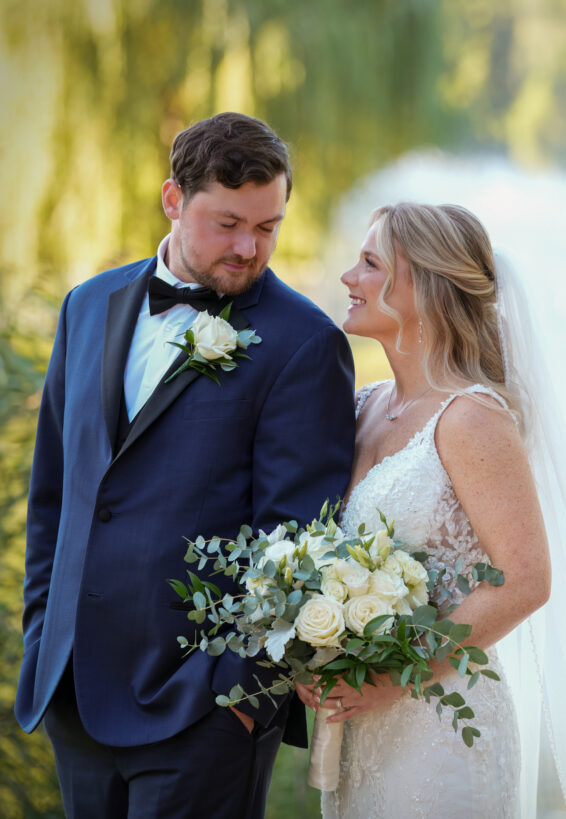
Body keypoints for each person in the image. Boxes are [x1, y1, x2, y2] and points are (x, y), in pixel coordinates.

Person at [15, 112, 356, 818]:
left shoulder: (304, 344)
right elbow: (56, 494)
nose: (248, 247)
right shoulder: (87, 306)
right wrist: (43, 637)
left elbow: (296, 544)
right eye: (228, 222)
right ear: (173, 199)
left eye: (268, 227)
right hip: (73, 694)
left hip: (201, 716)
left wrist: (241, 699)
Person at [298, 202, 566, 817]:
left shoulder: (472, 416)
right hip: (359, 726)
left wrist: (393, 675)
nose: (348, 277)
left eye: (369, 263)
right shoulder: (362, 405)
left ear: (421, 287)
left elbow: (526, 580)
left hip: (441, 721)